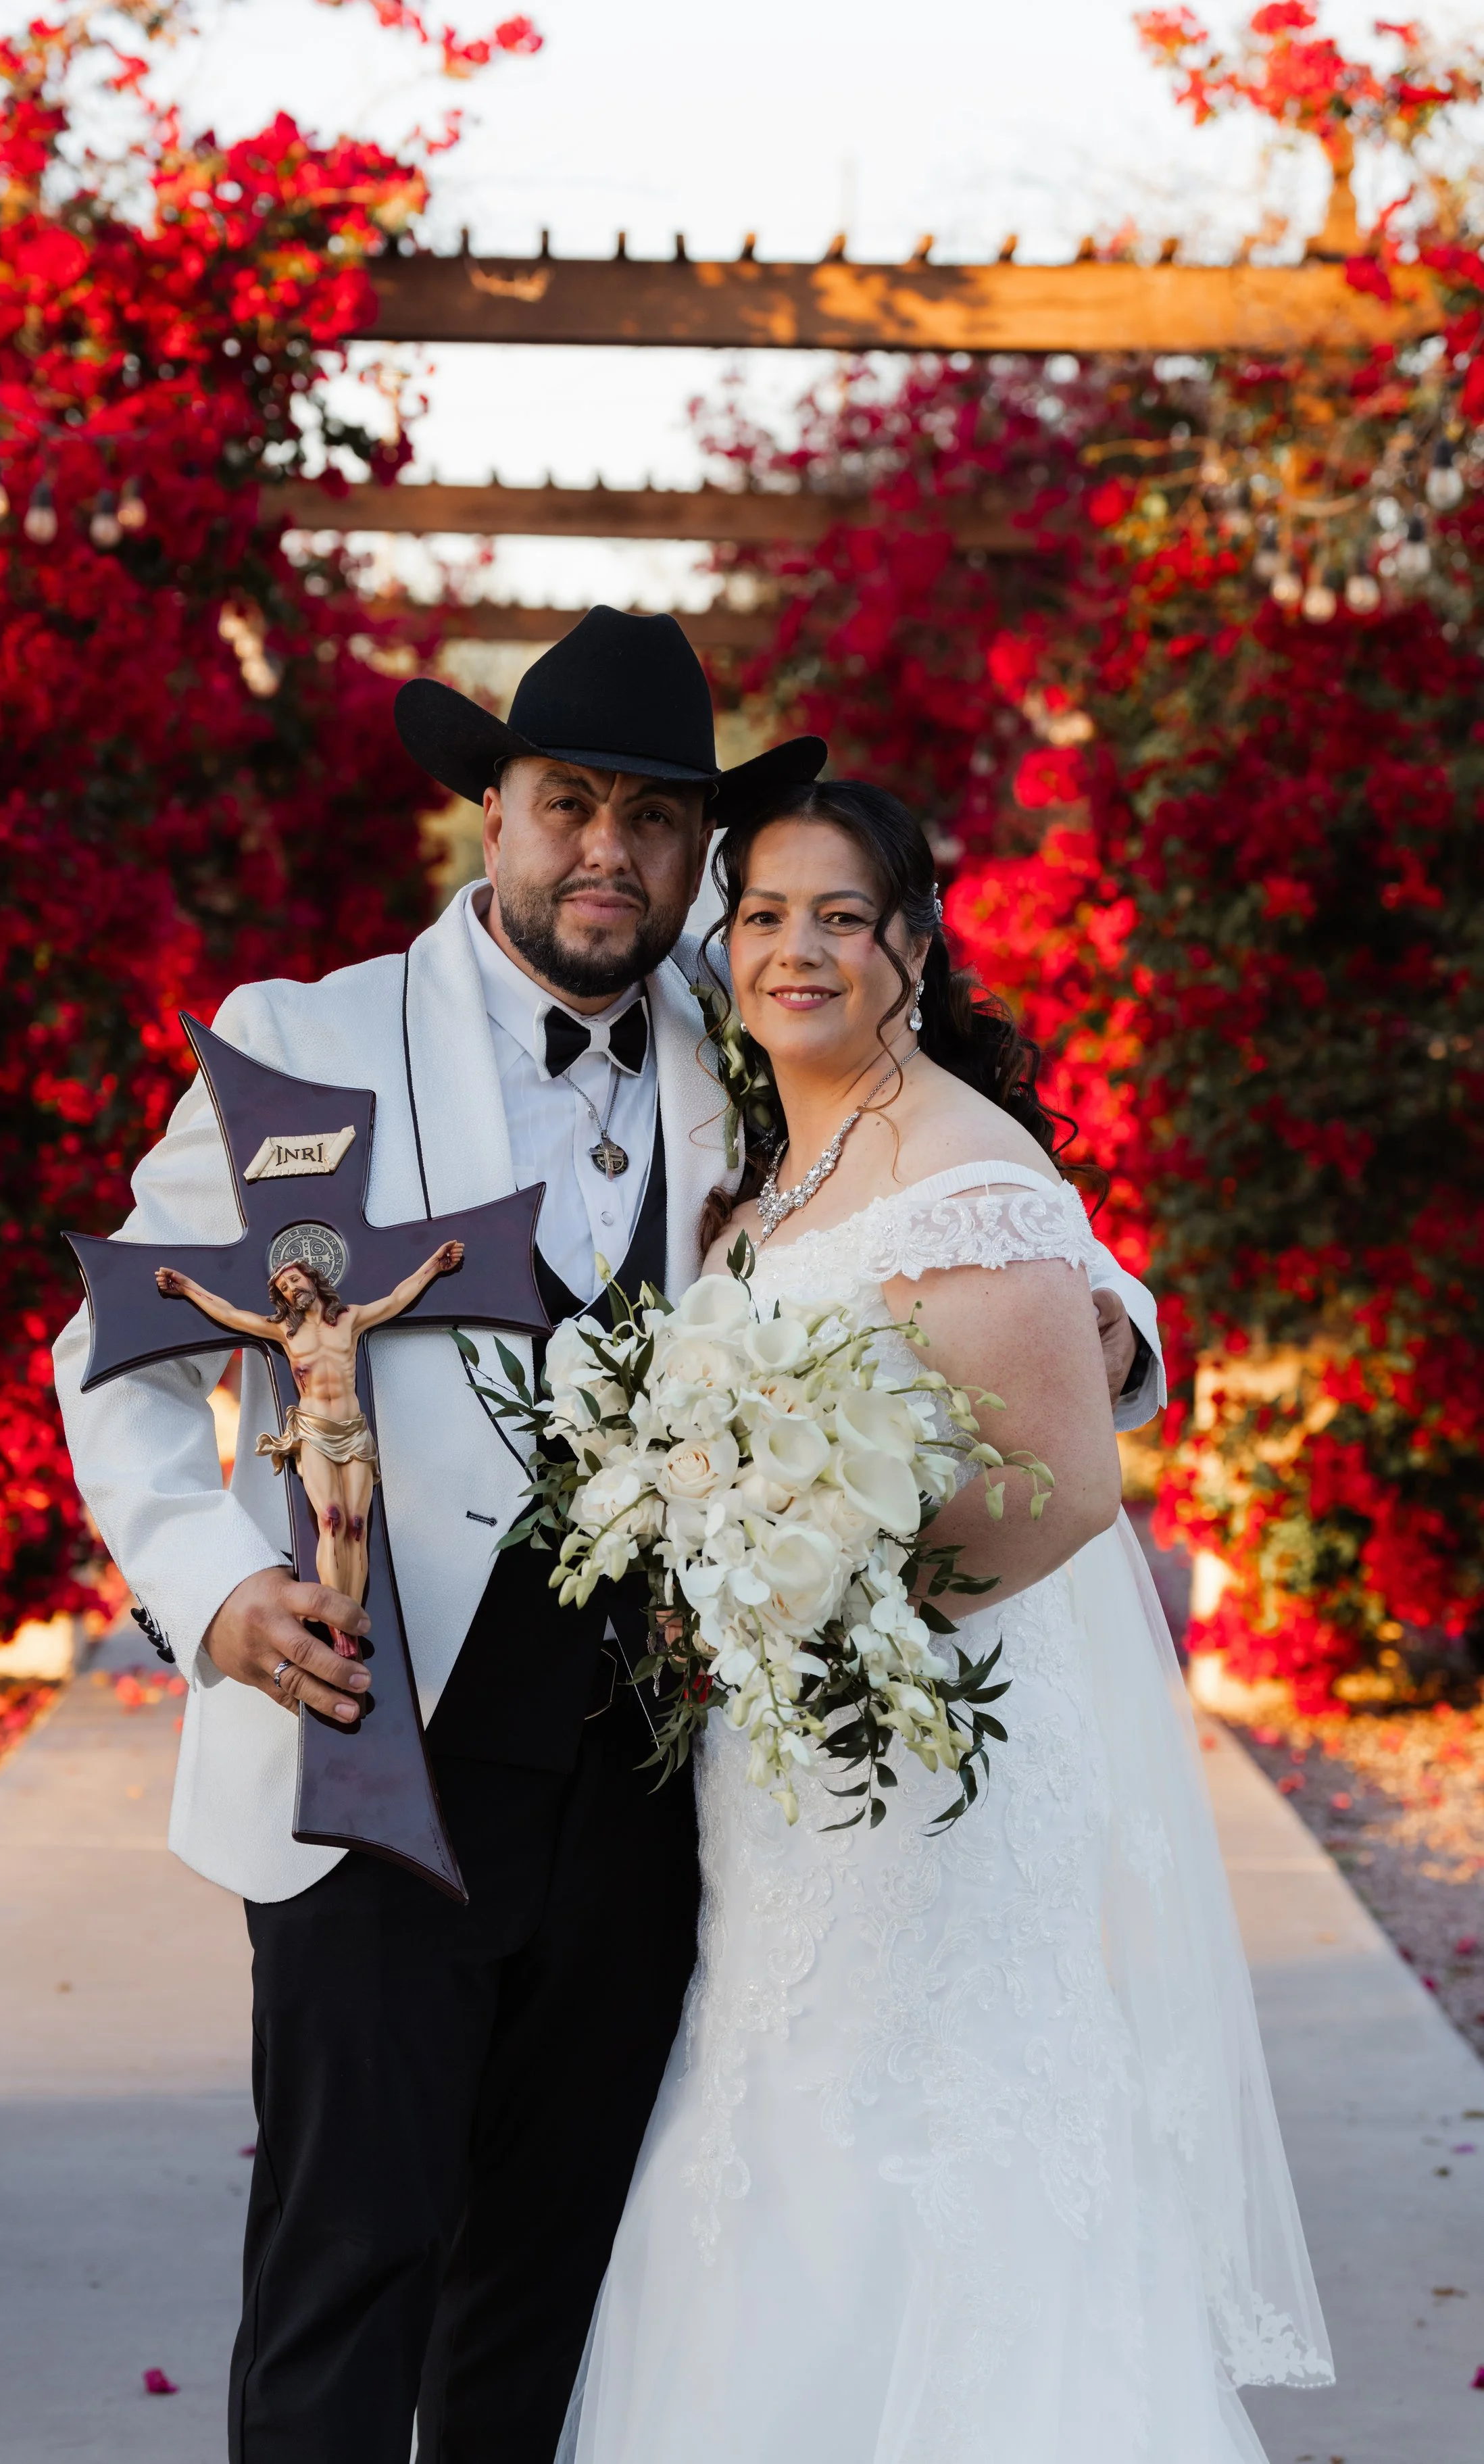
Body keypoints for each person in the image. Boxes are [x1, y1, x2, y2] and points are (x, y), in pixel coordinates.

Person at [53, 610, 1167, 2464]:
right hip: (371, 1752)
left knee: (541, 2303)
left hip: (652, 1792)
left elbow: (955, 1181)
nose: (608, 854)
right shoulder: (307, 1046)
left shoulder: (736, 1035)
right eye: (569, 802)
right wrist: (214, 1586)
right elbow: (120, 1343)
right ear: (489, 809)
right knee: (348, 2273)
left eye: (656, 825)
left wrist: (1095, 1330)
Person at [556, 781, 1331, 2464]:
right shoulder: (764, 1169)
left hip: (923, 1748)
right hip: (782, 1780)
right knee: (774, 2119)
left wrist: (842, 1634)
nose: (796, 948)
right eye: (762, 913)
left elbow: (1062, 1480)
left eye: (843, 915)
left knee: (921, 2126)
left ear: (912, 942)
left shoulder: (967, 1156)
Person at [151, 1245, 463, 1612]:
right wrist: (186, 1287)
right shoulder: (285, 1331)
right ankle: (338, 1618)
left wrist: (434, 1266)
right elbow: (230, 1314)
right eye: (284, 1288)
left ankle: (353, 1610)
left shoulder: (350, 1319)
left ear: (313, 1279)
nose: (291, 1289)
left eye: (294, 1279)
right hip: (314, 1431)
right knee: (331, 1518)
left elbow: (396, 1299)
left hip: (354, 1431)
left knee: (357, 1525)